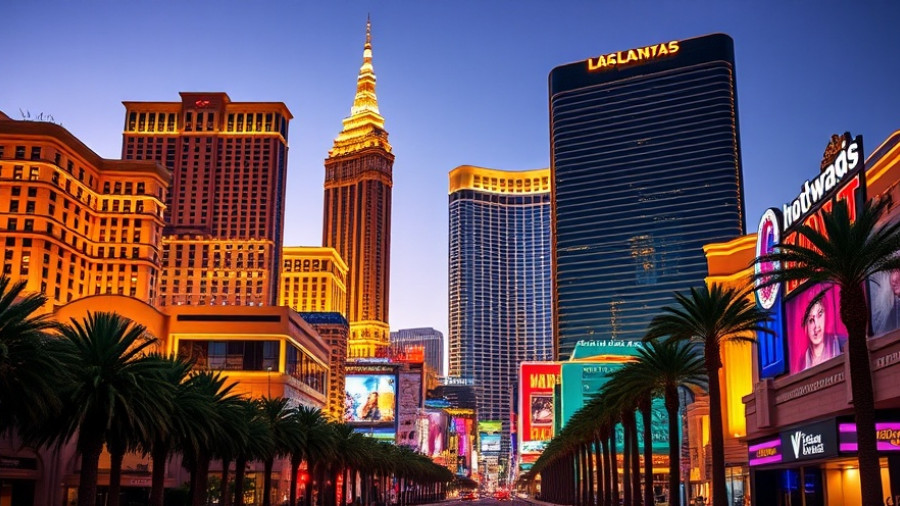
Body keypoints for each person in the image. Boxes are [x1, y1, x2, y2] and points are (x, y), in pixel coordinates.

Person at [801, 295, 842, 370]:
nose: (817, 327)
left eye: (820, 315)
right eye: (811, 320)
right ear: (805, 327)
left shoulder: (841, 344)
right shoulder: (803, 361)